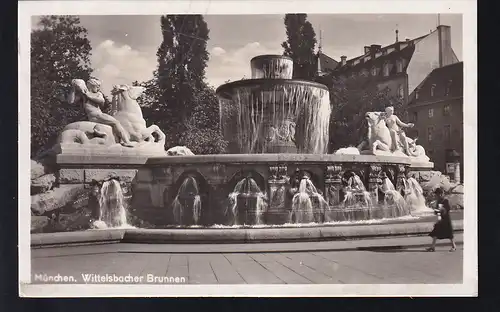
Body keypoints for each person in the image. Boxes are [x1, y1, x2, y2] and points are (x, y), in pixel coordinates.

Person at [68, 77, 134, 147]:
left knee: (115, 122)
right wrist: (73, 89)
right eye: (97, 86)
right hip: (95, 116)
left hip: (99, 114)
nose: (98, 88)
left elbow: (101, 101)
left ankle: (122, 140)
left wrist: (88, 95)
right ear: (92, 86)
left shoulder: (97, 94)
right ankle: (126, 141)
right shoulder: (83, 95)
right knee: (116, 122)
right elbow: (70, 101)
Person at [426, 187, 457, 252]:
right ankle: (432, 247)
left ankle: (454, 246)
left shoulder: (445, 201)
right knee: (435, 233)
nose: (436, 196)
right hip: (440, 219)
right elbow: (437, 211)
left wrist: (442, 209)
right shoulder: (438, 201)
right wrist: (436, 211)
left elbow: (447, 209)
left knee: (449, 234)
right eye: (436, 195)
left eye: (437, 194)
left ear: (441, 194)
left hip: (446, 220)